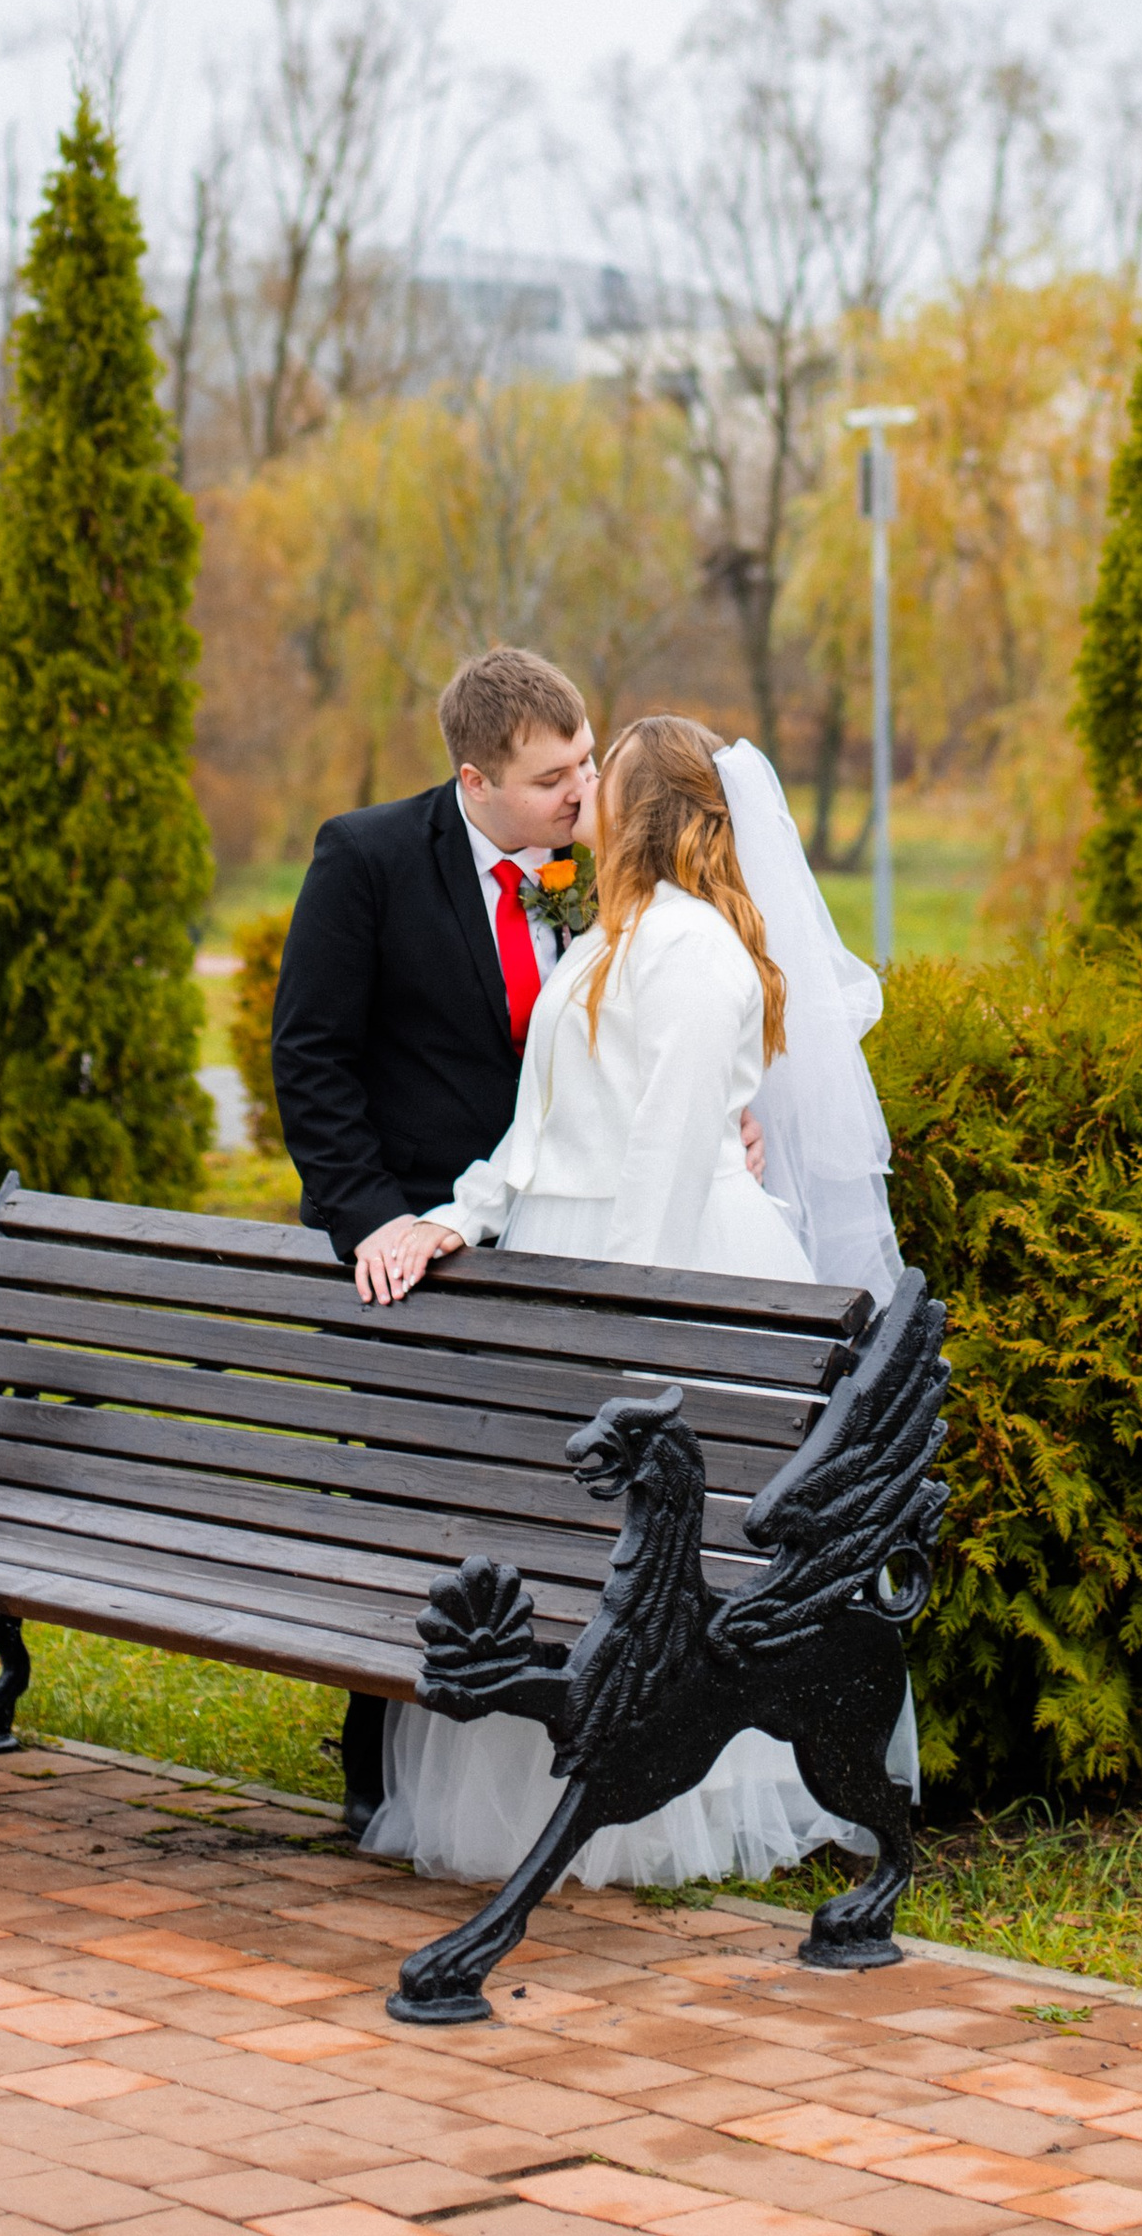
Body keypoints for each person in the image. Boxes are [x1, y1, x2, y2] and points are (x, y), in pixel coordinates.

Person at [350, 710, 909, 1894]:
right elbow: (539, 1131)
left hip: (666, 1268)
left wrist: (619, 1330)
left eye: (596, 772)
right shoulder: (608, 933)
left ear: (641, 803)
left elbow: (658, 1171)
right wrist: (461, 1214)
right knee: (558, 1555)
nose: (578, 786)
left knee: (658, 1563)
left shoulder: (696, 952)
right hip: (568, 1251)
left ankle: (656, 1812)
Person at [272, 647, 764, 1829]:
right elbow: (312, 1059)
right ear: (474, 776)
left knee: (544, 1515)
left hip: (557, 1237)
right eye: (552, 777)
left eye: (589, 764)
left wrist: (715, 1125)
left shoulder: (606, 888)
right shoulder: (369, 858)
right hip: (424, 1248)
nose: (580, 793)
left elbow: (646, 1048)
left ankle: (562, 1747)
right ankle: (379, 1760)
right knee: (420, 1503)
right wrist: (385, 1218)